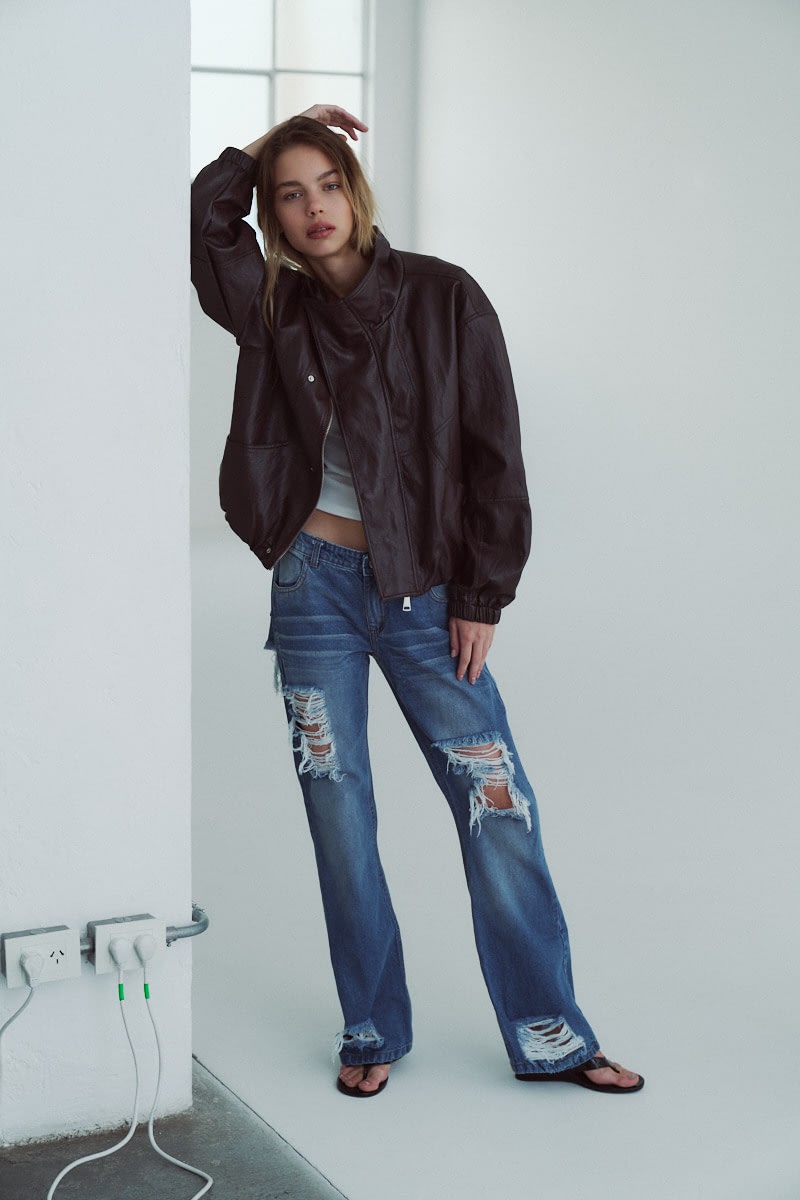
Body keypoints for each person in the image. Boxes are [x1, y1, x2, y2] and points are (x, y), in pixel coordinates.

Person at [191, 103, 643, 1098]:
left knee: (495, 803)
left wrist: (481, 593)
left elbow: (493, 451)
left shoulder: (444, 297)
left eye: (328, 184)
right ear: (274, 212)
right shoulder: (271, 305)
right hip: (312, 585)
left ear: (356, 192)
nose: (314, 208)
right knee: (338, 811)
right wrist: (266, 142)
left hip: (427, 592)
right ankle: (370, 1027)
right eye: (289, 195)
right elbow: (204, 219)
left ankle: (551, 1033)